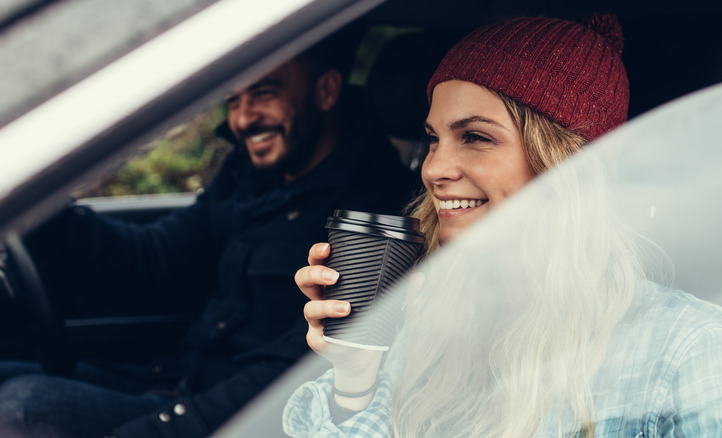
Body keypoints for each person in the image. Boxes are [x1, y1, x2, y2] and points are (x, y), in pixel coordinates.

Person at [283, 14, 722, 437]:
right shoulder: (421, 317)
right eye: (432, 138)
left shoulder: (688, 348)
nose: (433, 168)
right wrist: (355, 378)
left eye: (474, 137)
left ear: (565, 163)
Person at [0, 29, 416, 438]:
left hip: (228, 418)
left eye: (265, 94)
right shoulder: (250, 175)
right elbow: (155, 256)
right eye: (234, 100)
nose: (242, 119)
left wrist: (157, 429)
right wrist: (38, 213)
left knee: (20, 408)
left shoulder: (374, 217)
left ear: (326, 91)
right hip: (177, 379)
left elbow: (294, 372)